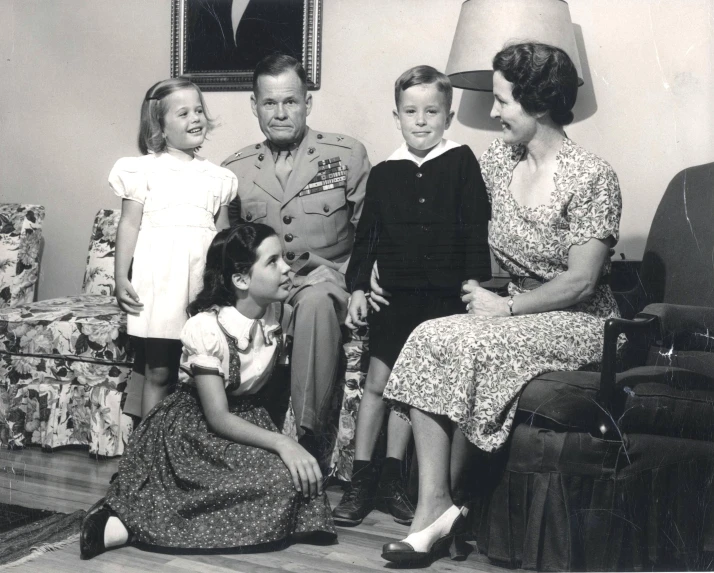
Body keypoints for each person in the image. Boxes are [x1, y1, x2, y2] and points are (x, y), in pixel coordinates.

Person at [372, 43, 622, 564]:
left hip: (579, 320)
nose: (492, 112)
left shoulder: (591, 176)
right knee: (432, 334)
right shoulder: (496, 162)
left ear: (538, 103)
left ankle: (440, 513)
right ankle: (435, 505)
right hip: (510, 308)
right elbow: (436, 212)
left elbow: (580, 282)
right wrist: (381, 262)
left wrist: (506, 309)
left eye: (503, 101)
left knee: (460, 337)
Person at [80, 224, 335, 560]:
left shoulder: (277, 315)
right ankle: (124, 520)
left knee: (293, 478)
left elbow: (270, 394)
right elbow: (217, 416)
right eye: (272, 262)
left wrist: (281, 446)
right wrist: (284, 443)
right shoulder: (207, 328)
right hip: (193, 431)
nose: (287, 269)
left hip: (246, 422)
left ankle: (149, 518)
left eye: (283, 260)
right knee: (271, 477)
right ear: (241, 280)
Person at [331, 66, 491, 528]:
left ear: (449, 115)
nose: (421, 121)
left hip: (444, 300)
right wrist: (358, 286)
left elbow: (475, 227)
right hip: (394, 298)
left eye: (432, 112)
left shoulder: (461, 162)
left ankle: (392, 481)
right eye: (411, 112)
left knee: (415, 391)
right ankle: (362, 479)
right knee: (378, 386)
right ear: (396, 116)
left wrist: (475, 283)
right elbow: (367, 237)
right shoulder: (384, 173)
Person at [222, 54, 370, 463]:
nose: (281, 113)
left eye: (291, 101)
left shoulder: (345, 155)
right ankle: (237, 448)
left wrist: (350, 280)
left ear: (308, 102)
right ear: (255, 106)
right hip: (268, 290)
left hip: (327, 282)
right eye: (270, 104)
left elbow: (372, 236)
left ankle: (304, 440)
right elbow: (228, 249)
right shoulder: (235, 170)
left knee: (317, 304)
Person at [110, 78, 238, 419]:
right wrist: (121, 275)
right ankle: (148, 454)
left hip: (201, 281)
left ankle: (187, 450)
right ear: (160, 126)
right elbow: (129, 224)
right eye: (183, 113)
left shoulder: (217, 177)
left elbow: (223, 234)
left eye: (198, 110)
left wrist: (227, 282)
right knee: (159, 371)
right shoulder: (142, 170)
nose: (195, 118)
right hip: (161, 284)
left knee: (203, 372)